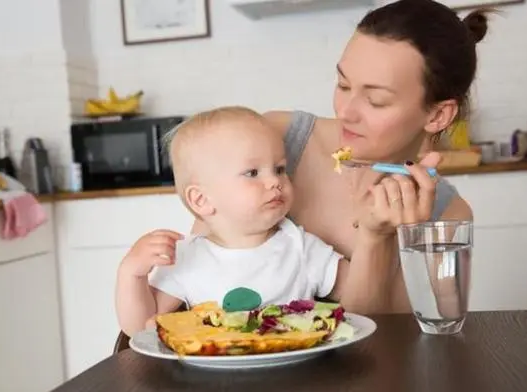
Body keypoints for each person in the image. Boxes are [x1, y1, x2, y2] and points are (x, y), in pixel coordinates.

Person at [119, 0, 487, 332]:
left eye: (375, 100)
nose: (345, 111)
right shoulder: (277, 140)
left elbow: (383, 343)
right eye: (343, 85)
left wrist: (382, 238)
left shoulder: (445, 218)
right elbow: (201, 278)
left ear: (438, 114)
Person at [116, 106, 367, 337]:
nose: (275, 181)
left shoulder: (300, 246)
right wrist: (132, 274)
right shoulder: (187, 257)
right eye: (252, 173)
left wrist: (373, 232)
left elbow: (360, 298)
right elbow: (142, 327)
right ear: (201, 199)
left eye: (279, 169)